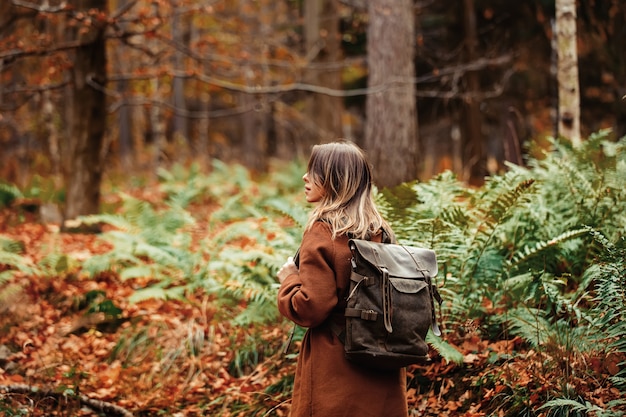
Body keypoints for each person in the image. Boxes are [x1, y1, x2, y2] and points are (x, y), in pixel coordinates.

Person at [277, 141, 409, 417]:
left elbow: (311, 307)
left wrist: (289, 279)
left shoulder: (324, 231)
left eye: (315, 170)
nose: (305, 176)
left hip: (336, 369)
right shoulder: (380, 230)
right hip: (383, 359)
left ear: (335, 180)